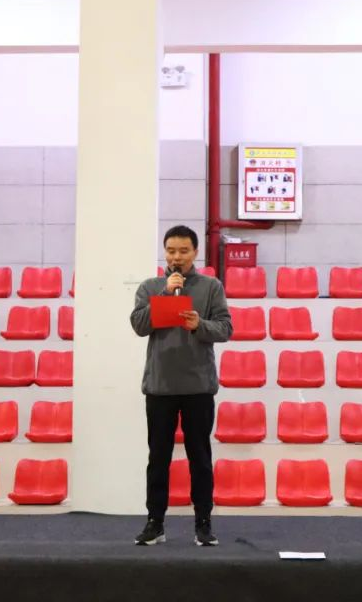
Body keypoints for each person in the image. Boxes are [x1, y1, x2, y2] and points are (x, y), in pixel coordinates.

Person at [129, 225, 233, 546]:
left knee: (199, 458)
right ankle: (155, 523)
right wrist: (164, 294)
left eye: (183, 251)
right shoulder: (150, 287)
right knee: (158, 458)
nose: (177, 257)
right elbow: (139, 325)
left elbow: (225, 328)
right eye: (171, 251)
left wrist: (199, 324)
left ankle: (203, 523)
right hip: (159, 386)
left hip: (198, 386)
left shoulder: (211, 287)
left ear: (195, 253)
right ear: (165, 253)